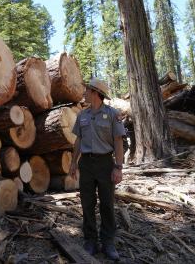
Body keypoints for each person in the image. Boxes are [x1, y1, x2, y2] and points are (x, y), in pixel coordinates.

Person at [69, 78, 126, 260]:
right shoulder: (82, 115)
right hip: (86, 164)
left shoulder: (112, 114)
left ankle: (108, 242)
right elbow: (78, 140)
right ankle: (90, 240)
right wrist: (73, 162)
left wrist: (118, 167)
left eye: (87, 90)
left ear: (95, 93)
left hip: (105, 164)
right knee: (87, 203)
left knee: (107, 204)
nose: (84, 93)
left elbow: (118, 142)